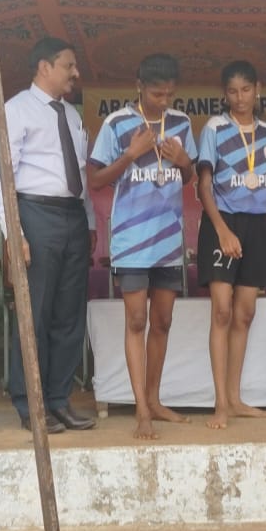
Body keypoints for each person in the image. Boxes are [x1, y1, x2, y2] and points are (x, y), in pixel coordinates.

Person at [0, 37, 97, 434]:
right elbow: (0, 175)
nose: (75, 73)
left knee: (69, 315)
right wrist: (14, 233)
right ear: (44, 67)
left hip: (72, 218)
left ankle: (58, 400)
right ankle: (30, 404)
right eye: (69, 65)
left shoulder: (71, 115)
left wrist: (89, 222)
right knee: (34, 314)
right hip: (35, 214)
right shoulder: (16, 110)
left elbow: (79, 174)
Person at [86, 54, 197, 439]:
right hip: (131, 241)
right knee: (137, 321)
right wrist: (131, 155)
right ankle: (141, 410)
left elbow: (188, 177)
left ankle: (154, 400)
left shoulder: (181, 123)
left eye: (169, 94)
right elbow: (96, 180)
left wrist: (184, 161)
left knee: (162, 321)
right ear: (139, 86)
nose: (163, 101)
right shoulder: (116, 123)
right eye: (156, 94)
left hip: (169, 240)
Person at [196, 60, 266, 430]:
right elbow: (203, 185)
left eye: (246, 90)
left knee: (244, 313)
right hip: (223, 223)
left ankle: (235, 399)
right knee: (222, 311)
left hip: (256, 226)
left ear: (257, 90)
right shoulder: (215, 128)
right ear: (224, 94)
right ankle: (220, 403)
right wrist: (222, 230)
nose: (240, 97)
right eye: (232, 91)